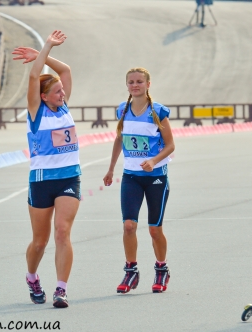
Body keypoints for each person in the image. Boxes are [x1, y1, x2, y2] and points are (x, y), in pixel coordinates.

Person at [12, 30, 81, 308]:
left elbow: (65, 70)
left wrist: (46, 56)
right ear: (43, 96)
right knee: (39, 243)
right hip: (41, 181)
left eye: (62, 90)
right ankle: (31, 276)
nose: (63, 92)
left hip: (69, 177)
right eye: (57, 91)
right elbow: (32, 77)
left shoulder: (64, 108)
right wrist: (44, 47)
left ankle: (61, 290)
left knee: (62, 232)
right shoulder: (35, 112)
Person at [103, 67, 175, 294]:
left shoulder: (157, 111)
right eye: (131, 82)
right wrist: (111, 168)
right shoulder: (122, 110)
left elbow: (171, 145)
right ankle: (131, 271)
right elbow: (119, 139)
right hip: (131, 177)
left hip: (155, 178)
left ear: (148, 85)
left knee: (154, 230)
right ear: (127, 85)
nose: (135, 85)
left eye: (139, 82)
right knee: (128, 226)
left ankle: (162, 269)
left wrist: (153, 161)